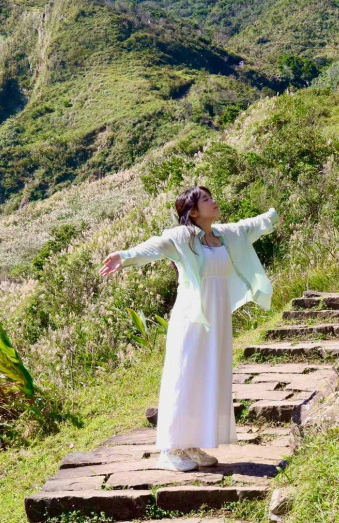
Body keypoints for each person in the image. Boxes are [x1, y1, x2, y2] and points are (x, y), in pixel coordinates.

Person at [99, 186, 280, 471]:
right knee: (184, 377)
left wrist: (271, 215)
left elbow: (249, 227)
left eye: (211, 196)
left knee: (207, 378)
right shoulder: (183, 237)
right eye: (206, 199)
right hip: (191, 319)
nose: (214, 201)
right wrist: (125, 255)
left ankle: (191, 444)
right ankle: (170, 449)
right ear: (193, 211)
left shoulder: (222, 235)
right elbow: (154, 246)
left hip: (216, 322)